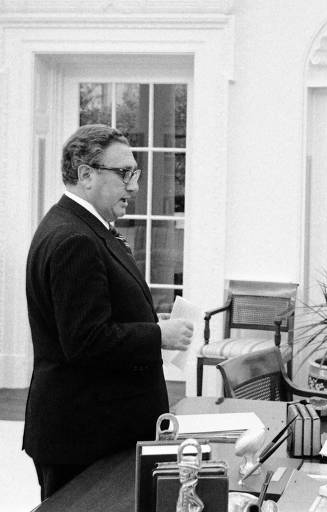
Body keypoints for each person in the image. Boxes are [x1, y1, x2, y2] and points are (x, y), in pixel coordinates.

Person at [24, 124, 193, 500]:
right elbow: (85, 341)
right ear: (86, 174)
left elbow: (95, 318)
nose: (133, 186)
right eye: (124, 173)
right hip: (84, 438)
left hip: (96, 432)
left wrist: (149, 323)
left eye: (135, 173)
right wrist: (157, 336)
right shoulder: (75, 238)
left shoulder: (81, 227)